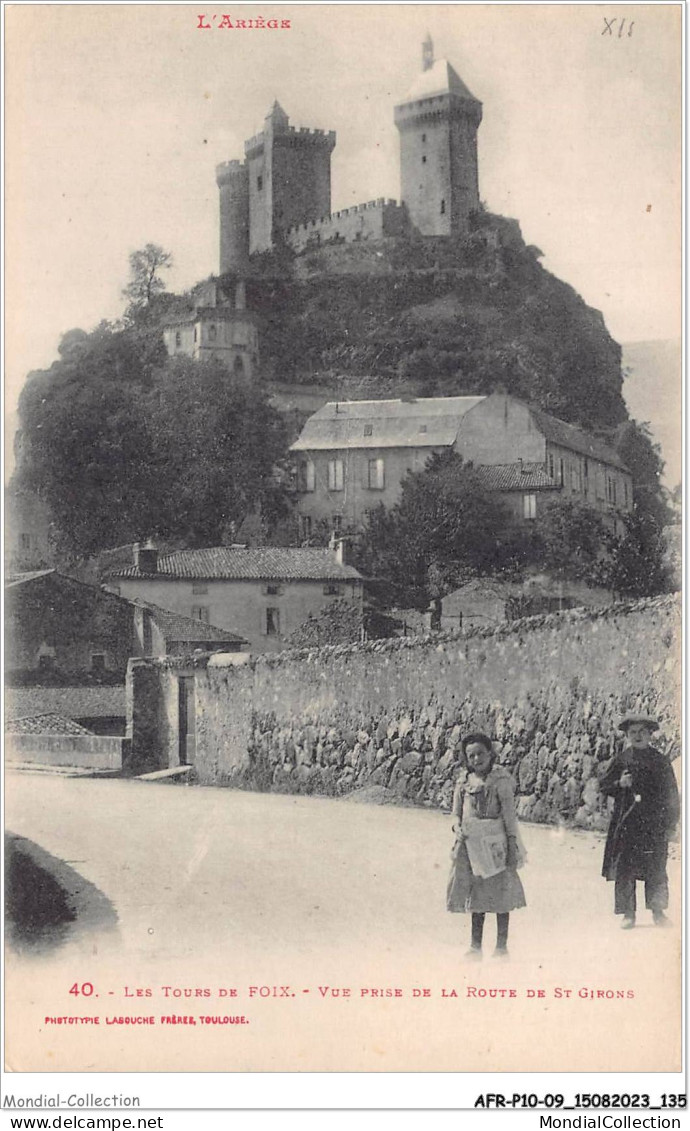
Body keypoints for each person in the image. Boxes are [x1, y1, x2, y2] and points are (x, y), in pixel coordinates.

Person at [446, 733, 526, 958]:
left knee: (501, 893)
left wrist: (512, 845)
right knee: (477, 893)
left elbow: (510, 817)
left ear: (490, 754)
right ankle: (475, 946)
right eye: (471, 755)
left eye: (480, 753)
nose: (476, 759)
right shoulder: (463, 782)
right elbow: (455, 814)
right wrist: (456, 828)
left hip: (496, 845)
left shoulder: (501, 782)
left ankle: (501, 947)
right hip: (472, 847)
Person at [600, 714, 679, 929]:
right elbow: (604, 786)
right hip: (627, 823)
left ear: (650, 734)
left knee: (656, 866)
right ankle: (628, 914)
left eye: (642, 732)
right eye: (633, 732)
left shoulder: (660, 761)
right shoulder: (622, 759)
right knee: (626, 868)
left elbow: (672, 794)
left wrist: (671, 824)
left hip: (653, 824)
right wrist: (620, 783)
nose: (637, 736)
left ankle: (658, 912)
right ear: (627, 735)